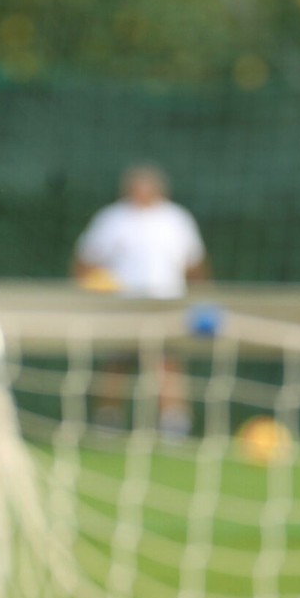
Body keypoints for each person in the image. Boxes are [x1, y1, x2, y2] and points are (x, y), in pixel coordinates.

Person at [72, 164, 209, 437]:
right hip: (123, 305)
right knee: (117, 362)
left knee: (166, 362)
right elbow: (85, 262)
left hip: (166, 303)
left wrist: (200, 298)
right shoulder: (111, 219)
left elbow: (195, 265)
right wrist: (95, 288)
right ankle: (107, 421)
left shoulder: (176, 219)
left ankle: (174, 425)